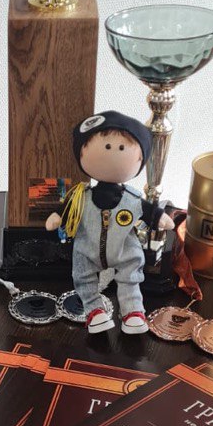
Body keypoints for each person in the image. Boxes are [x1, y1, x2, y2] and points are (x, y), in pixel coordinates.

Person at [45, 111, 174, 334]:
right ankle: (95, 311)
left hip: (124, 249)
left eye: (122, 147)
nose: (114, 152)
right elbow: (64, 211)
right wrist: (58, 217)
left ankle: (132, 312)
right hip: (87, 248)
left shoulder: (132, 199)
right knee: (83, 275)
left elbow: (150, 212)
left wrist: (159, 217)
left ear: (141, 160)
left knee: (130, 276)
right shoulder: (81, 196)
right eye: (106, 146)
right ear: (81, 152)